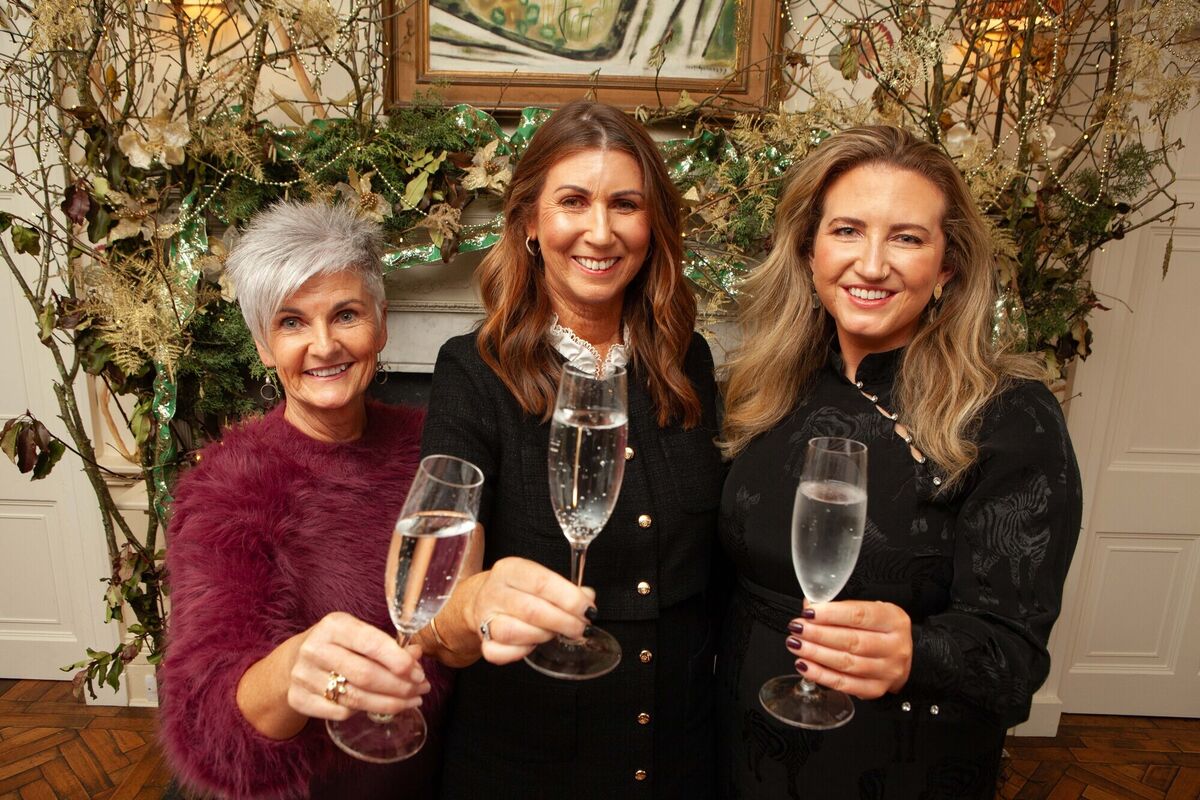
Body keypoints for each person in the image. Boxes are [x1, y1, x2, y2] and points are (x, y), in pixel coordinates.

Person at [715, 125, 1083, 799]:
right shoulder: (757, 389)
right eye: (848, 230)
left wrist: (921, 650)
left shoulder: (1009, 416)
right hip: (738, 753)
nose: (873, 263)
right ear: (809, 249)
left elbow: (1014, 660)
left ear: (947, 266)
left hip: (897, 768)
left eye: (907, 238)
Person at [412, 99, 725, 798]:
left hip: (681, 755)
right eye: (573, 201)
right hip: (527, 762)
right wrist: (474, 604)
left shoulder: (686, 360)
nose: (601, 231)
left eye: (626, 204)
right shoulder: (473, 370)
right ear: (529, 221)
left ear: (654, 225)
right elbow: (434, 608)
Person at [159, 201, 449, 799]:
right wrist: (291, 669)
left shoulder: (434, 446)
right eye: (292, 323)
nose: (323, 346)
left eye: (346, 314)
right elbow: (205, 723)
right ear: (264, 345)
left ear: (382, 323)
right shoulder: (227, 488)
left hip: (457, 767)